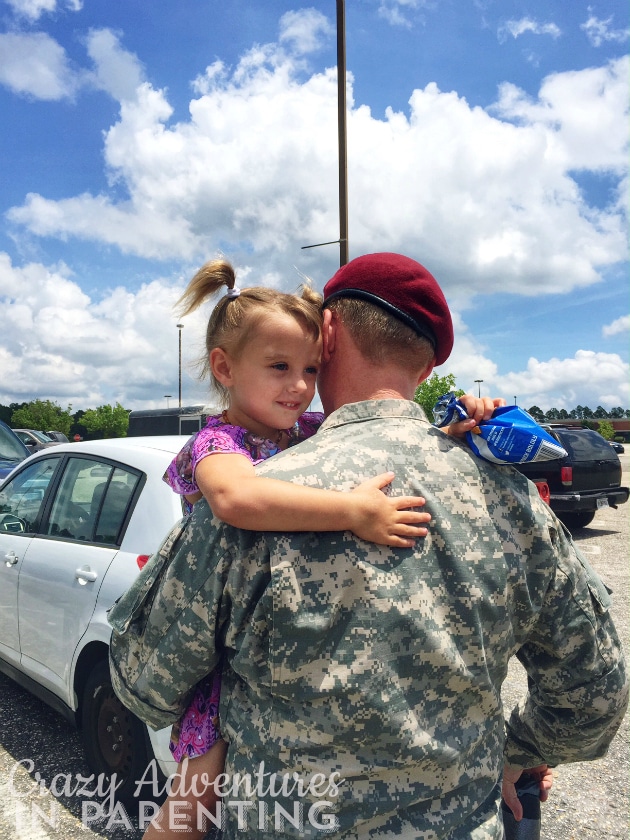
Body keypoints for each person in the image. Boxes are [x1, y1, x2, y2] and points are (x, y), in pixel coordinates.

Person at [137, 252, 628, 838]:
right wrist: (515, 752)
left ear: (330, 333)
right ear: (425, 367)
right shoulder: (509, 497)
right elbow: (595, 693)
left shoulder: (260, 491)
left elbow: (144, 681)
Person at [144, 258, 436, 840]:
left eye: (310, 367)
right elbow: (236, 497)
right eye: (279, 367)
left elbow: (383, 434)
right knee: (191, 804)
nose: (300, 386)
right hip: (222, 652)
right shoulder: (218, 442)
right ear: (225, 367)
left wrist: (457, 428)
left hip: (270, 648)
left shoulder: (304, 432)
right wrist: (356, 512)